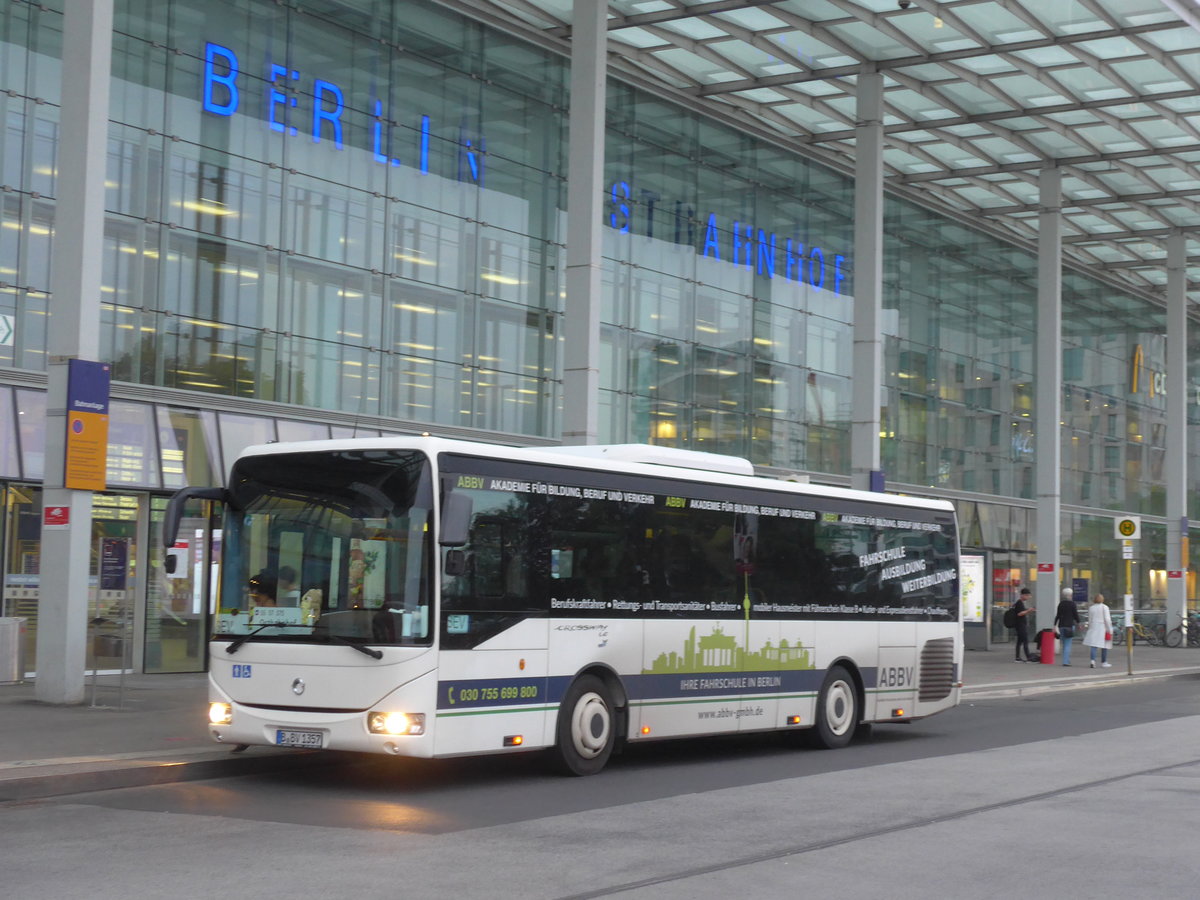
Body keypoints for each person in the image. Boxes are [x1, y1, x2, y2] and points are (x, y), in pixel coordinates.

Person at [1082, 592, 1113, 668]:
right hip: (1103, 627)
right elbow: (1107, 619)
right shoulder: (1105, 607)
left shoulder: (1091, 608)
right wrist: (1110, 629)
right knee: (1104, 645)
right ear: (1102, 599)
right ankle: (1104, 662)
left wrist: (1090, 628)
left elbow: (1090, 619)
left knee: (1094, 645)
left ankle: (1092, 661)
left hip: (1094, 627)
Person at [1054, 586, 1081, 666]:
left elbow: (1057, 615)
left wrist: (1054, 625)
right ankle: (1065, 661)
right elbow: (1075, 615)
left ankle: (1066, 660)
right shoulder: (1072, 604)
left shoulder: (1061, 604)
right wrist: (1079, 623)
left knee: (1064, 644)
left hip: (1061, 625)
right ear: (1070, 595)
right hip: (1069, 625)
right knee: (1068, 644)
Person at [1013, 587, 1035, 662]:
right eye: (1027, 595)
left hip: (1020, 625)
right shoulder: (1019, 603)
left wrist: (1027, 611)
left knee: (1019, 641)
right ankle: (1028, 657)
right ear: (1023, 595)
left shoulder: (1020, 603)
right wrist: (1028, 610)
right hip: (1020, 625)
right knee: (1025, 641)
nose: (1028, 597)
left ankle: (1017, 657)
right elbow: (1020, 614)